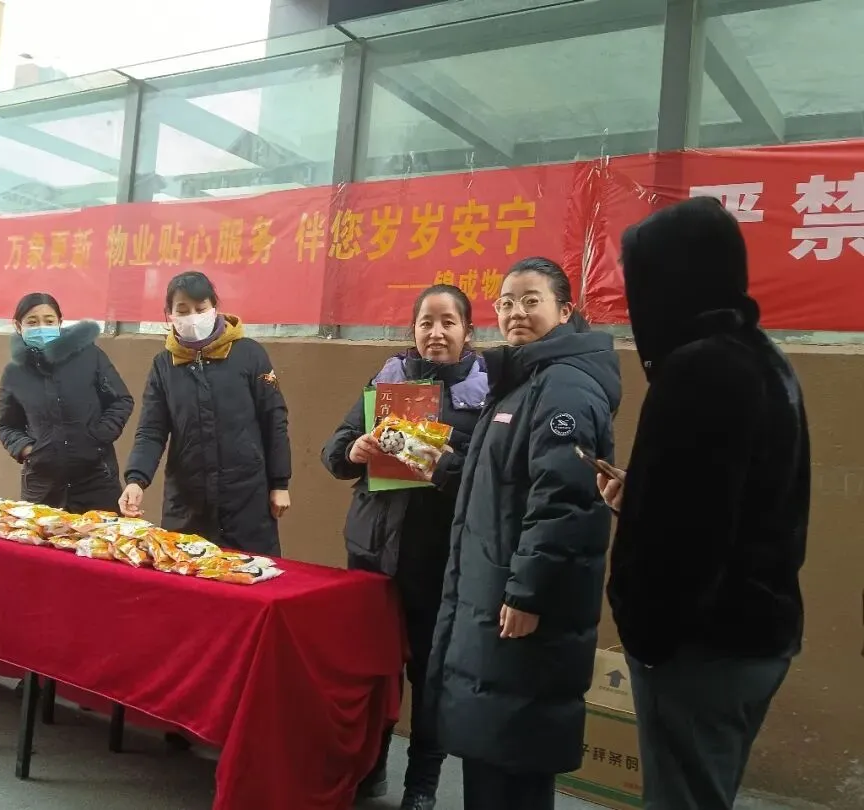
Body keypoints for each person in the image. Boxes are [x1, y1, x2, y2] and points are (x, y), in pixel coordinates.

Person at [597, 196, 809, 810]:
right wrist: (643, 498)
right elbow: (732, 497)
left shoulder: (699, 371)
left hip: (701, 647)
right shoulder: (761, 358)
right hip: (754, 632)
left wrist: (648, 637)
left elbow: (688, 542)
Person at [425, 258, 621, 810]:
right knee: (495, 748)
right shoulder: (523, 380)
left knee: (512, 756)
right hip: (491, 595)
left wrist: (528, 593)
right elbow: (506, 480)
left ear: (565, 310)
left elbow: (566, 500)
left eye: (532, 301)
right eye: (507, 302)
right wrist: (443, 464)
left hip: (518, 607)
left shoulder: (563, 387)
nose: (516, 312)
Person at [322, 285, 488, 810]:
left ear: (468, 331)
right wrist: (353, 448)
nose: (435, 333)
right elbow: (334, 451)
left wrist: (441, 458)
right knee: (373, 669)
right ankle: (370, 768)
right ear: (412, 329)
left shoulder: (486, 394)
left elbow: (488, 477)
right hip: (373, 553)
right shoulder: (387, 380)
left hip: (439, 560)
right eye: (425, 323)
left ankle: (422, 784)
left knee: (430, 676)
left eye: (448, 322)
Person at [120, 270, 291, 557]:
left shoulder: (249, 354)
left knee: (250, 573)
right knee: (186, 573)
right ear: (169, 314)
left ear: (214, 307)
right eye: (182, 310)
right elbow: (151, 430)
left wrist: (280, 483)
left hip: (246, 499)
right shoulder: (164, 365)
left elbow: (274, 420)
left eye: (200, 309)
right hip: (187, 503)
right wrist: (137, 480)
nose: (193, 317)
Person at [0, 292, 134, 513]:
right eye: (32, 322)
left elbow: (121, 401)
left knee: (98, 536)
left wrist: (99, 436)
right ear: (18, 326)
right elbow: (6, 425)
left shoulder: (90, 356)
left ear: (60, 323)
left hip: (96, 482)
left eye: (49, 321)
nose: (42, 327)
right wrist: (28, 449)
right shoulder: (14, 373)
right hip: (42, 488)